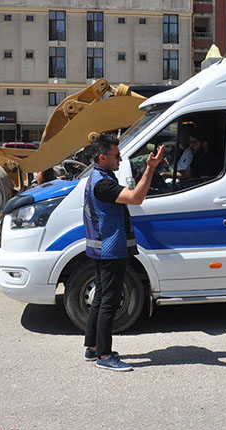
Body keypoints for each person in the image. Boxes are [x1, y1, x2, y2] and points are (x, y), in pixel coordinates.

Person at [83, 133, 163, 372]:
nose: (120, 159)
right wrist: (150, 168)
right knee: (109, 302)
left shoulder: (98, 176)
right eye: (116, 156)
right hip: (110, 249)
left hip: (103, 249)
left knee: (100, 298)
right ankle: (105, 356)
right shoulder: (103, 183)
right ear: (102, 157)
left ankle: (93, 347)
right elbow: (136, 198)